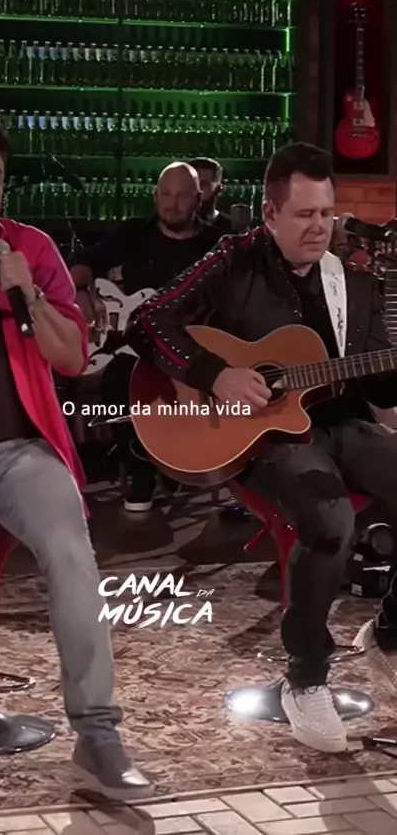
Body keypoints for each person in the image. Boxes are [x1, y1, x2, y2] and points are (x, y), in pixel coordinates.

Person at [124, 141, 397, 754]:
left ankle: (388, 636)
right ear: (270, 214)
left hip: (341, 425)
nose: (318, 227)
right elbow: (148, 322)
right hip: (263, 435)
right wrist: (215, 373)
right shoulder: (233, 260)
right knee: (330, 517)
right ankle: (306, 680)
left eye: (325, 213)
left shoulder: (352, 282)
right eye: (304, 215)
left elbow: (379, 382)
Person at [0, 117, 153, 800]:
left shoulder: (31, 248)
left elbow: (72, 356)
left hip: (21, 453)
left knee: (73, 554)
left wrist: (30, 291)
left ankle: (98, 735)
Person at [71, 162, 221, 512]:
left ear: (199, 199)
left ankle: (175, 462)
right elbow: (84, 261)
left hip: (190, 347)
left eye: (182, 196)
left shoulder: (215, 245)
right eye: (166, 194)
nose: (173, 203)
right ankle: (141, 464)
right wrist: (79, 290)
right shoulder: (134, 233)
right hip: (135, 345)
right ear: (155, 196)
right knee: (116, 382)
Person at [188, 157, 232, 234]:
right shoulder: (171, 225)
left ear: (219, 189)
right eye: (192, 183)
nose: (197, 189)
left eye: (203, 184)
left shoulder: (231, 229)